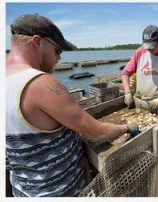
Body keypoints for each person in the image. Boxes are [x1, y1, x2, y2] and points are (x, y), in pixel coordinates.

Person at [6, 14, 139, 197]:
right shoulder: (41, 84)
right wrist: (126, 127)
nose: (59, 58)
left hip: (22, 190)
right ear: (37, 42)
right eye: (57, 50)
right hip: (59, 192)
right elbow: (97, 132)